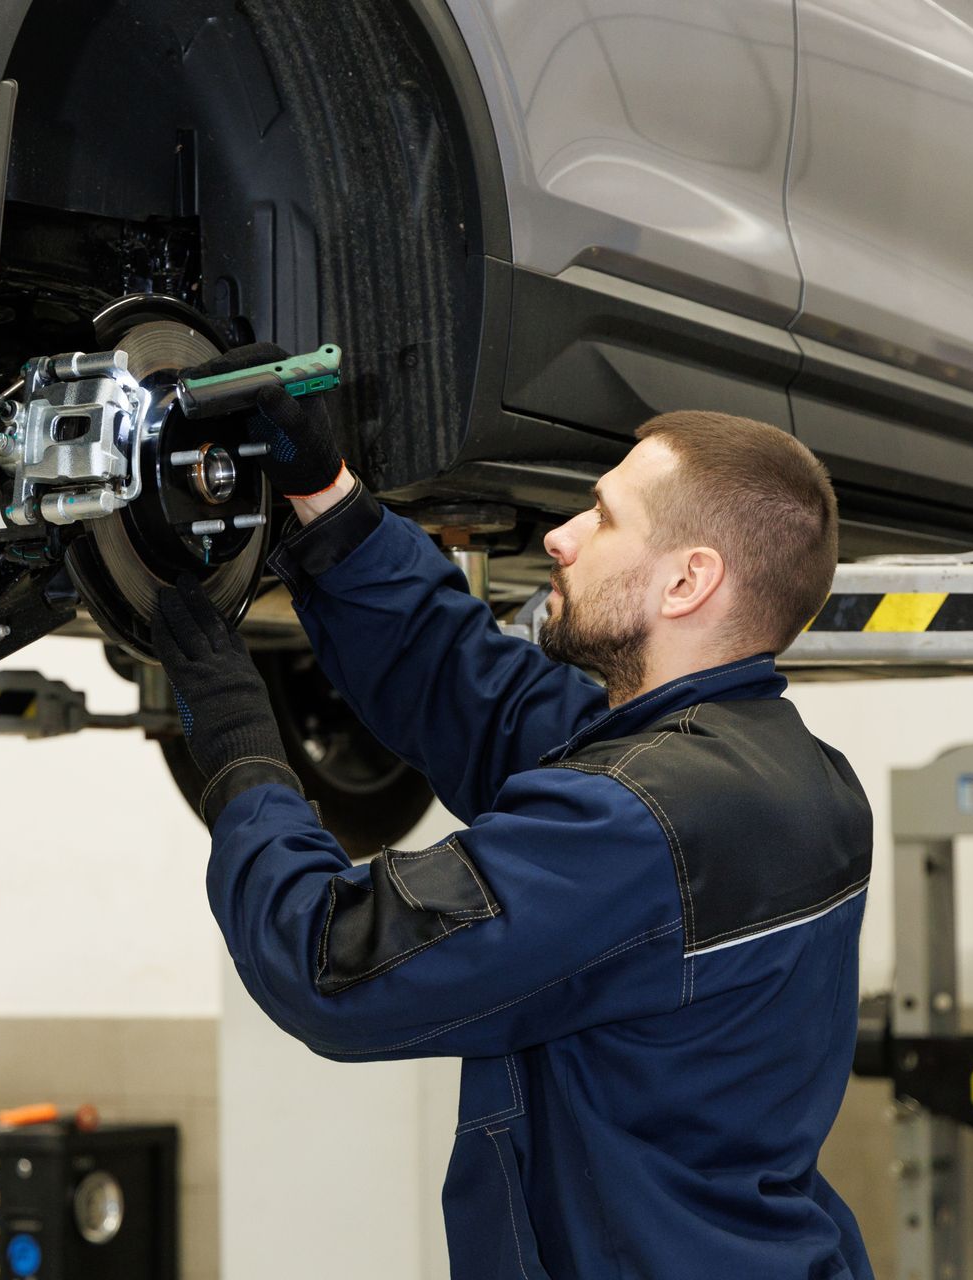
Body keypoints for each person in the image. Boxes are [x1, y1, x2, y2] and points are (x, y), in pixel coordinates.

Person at [152, 345, 874, 1280]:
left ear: (686, 582)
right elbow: (480, 697)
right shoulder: (795, 776)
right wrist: (327, 498)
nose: (561, 537)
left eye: (604, 517)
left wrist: (244, 761)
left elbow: (330, 964)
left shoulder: (638, 821)